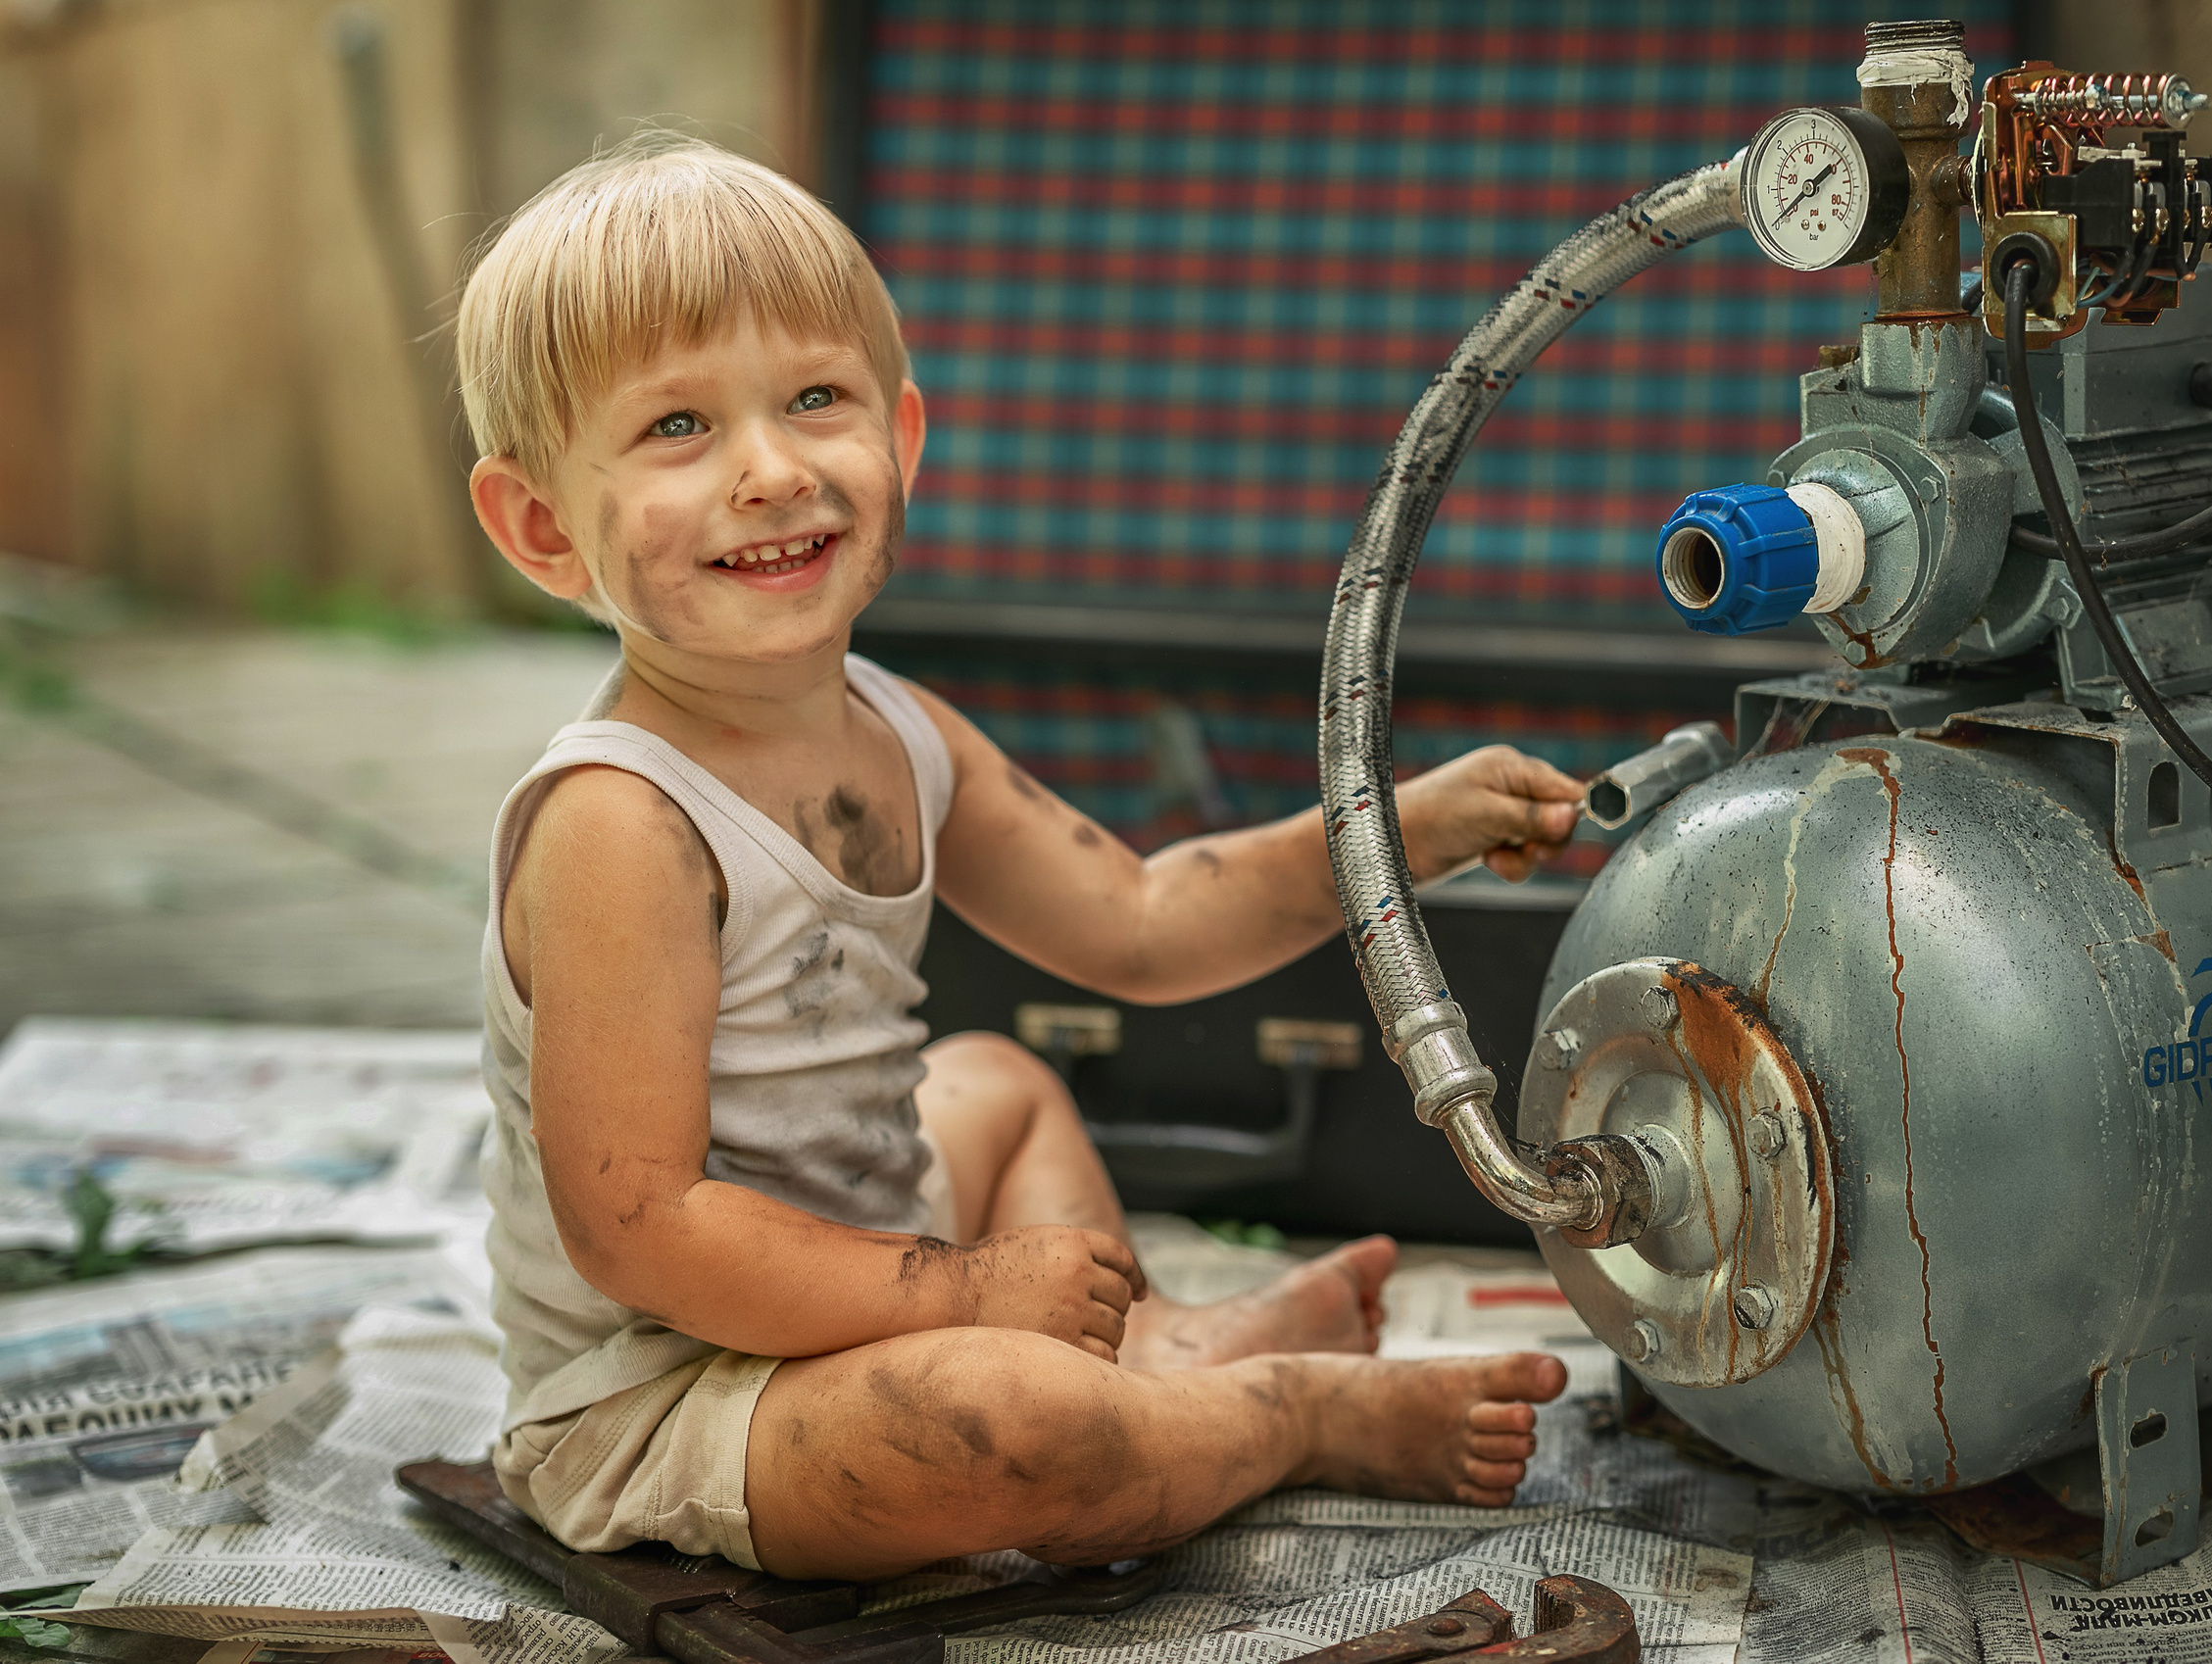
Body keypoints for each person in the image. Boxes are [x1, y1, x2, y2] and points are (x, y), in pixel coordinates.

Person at [456, 132, 1586, 1585]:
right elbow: (641, 1231)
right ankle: (1284, 1415)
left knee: (997, 1083)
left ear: (903, 440)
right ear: (543, 528)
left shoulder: (900, 729)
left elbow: (1142, 921)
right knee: (1005, 1422)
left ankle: (1162, 1348)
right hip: (678, 1390)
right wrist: (964, 1293)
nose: (772, 469)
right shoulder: (621, 821)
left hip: (873, 1266)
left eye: (815, 399)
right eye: (680, 426)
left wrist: (1401, 828)